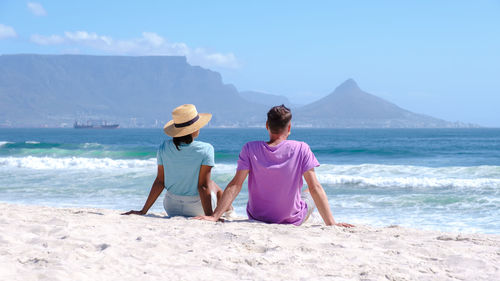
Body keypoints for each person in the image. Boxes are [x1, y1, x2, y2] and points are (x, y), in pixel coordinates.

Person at [196, 105, 353, 227]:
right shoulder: (301, 148)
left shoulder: (250, 148)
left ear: (267, 125)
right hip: (291, 220)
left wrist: (214, 216)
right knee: (309, 192)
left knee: (305, 192)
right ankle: (318, 217)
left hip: (257, 216)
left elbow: (236, 185)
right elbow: (315, 188)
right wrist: (332, 223)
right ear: (289, 128)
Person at [123, 104, 228, 217]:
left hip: (171, 207)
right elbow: (203, 186)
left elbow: (160, 181)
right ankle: (229, 210)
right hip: (197, 208)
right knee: (212, 184)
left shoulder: (164, 147)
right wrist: (209, 216)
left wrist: (143, 211)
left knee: (210, 184)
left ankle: (229, 210)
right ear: (194, 129)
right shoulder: (207, 149)